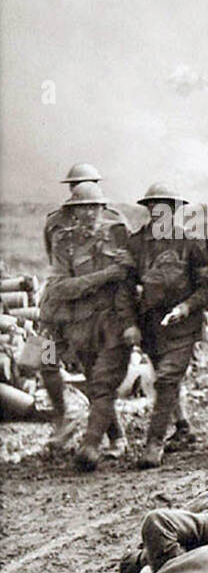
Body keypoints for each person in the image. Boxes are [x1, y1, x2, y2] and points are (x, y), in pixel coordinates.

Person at [37, 182, 139, 470]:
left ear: (101, 207)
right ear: (72, 208)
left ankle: (99, 442)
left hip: (107, 323)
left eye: (94, 207)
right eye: (82, 207)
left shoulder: (117, 233)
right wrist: (105, 275)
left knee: (101, 383)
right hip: (63, 323)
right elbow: (60, 288)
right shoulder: (61, 238)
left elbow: (128, 276)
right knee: (51, 366)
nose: (88, 212)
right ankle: (63, 417)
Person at [131, 182, 208, 468]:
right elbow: (125, 284)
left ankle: (154, 442)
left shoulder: (190, 244)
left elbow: (207, 285)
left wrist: (187, 307)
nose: (160, 216)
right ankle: (182, 427)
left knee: (166, 379)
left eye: (166, 210)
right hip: (150, 327)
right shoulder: (136, 243)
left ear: (175, 212)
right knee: (166, 378)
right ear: (148, 210)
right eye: (154, 210)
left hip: (183, 326)